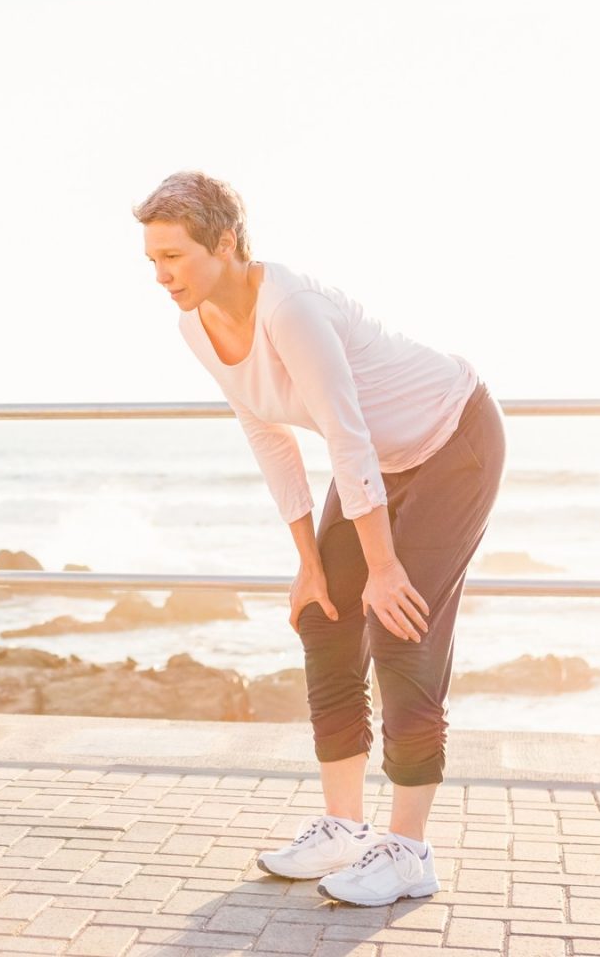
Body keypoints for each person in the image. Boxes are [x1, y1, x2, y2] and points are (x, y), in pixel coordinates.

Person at [133, 171, 506, 907]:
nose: (161, 276)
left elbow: (345, 434)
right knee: (322, 613)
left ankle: (408, 852)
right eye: (152, 261)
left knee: (399, 626)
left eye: (173, 257)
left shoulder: (292, 309)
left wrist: (385, 568)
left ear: (227, 241)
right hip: (377, 459)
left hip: (453, 437)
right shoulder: (196, 325)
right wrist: (309, 563)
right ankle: (343, 828)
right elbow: (266, 434)